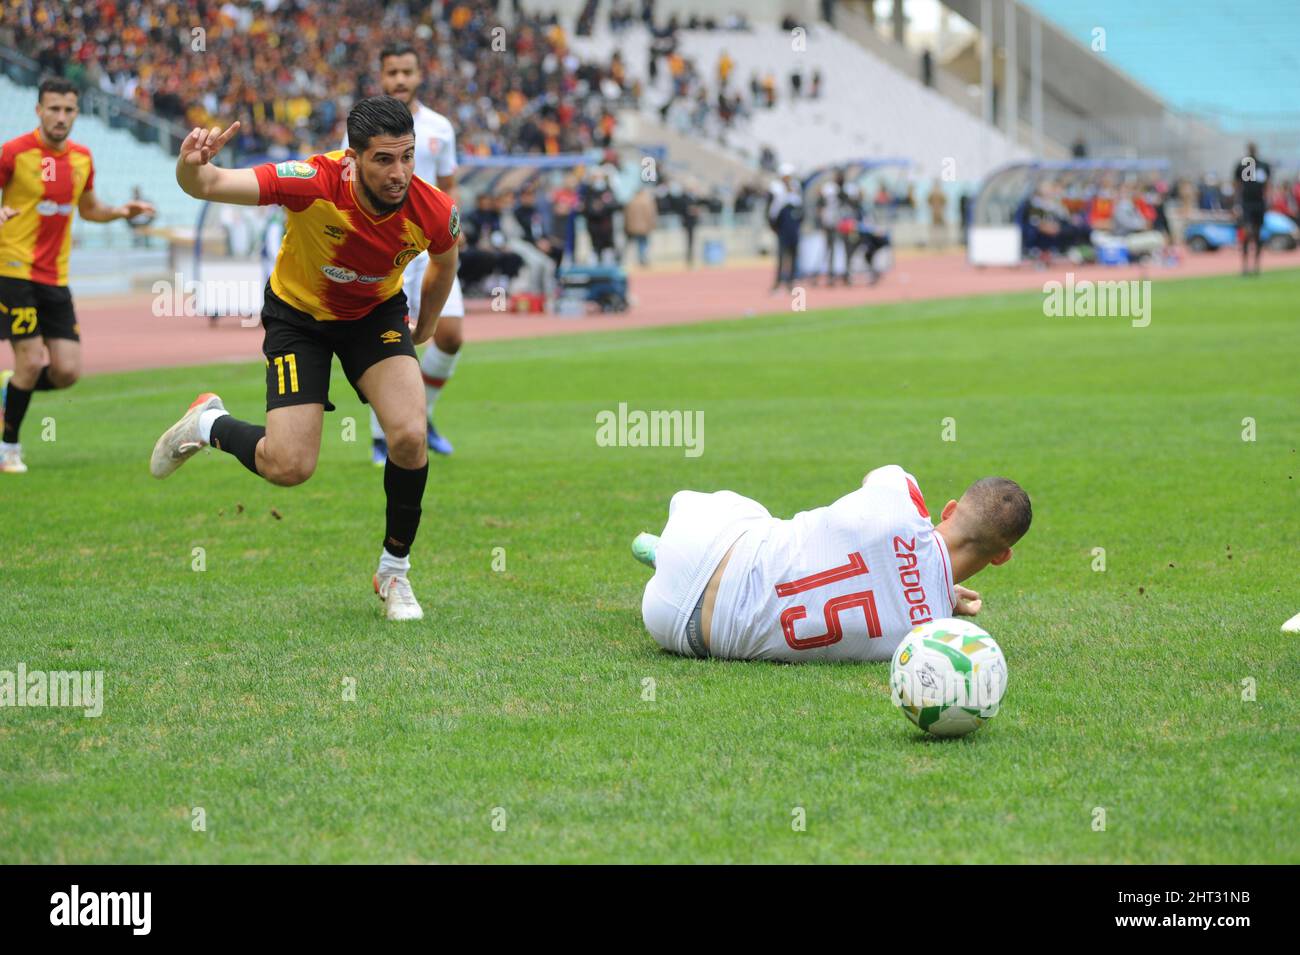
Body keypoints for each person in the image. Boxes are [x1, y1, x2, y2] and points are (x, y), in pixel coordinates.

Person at [149, 96, 460, 622]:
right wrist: (191, 165)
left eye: (406, 157)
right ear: (352, 157)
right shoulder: (312, 180)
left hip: (374, 316)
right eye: (384, 159)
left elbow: (444, 263)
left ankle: (395, 572)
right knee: (289, 466)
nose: (400, 172)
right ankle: (208, 423)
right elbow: (208, 185)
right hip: (299, 319)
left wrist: (426, 323)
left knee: (409, 435)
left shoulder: (434, 209)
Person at [631, 466, 1031, 662]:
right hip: (678, 630)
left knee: (761, 519)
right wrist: (940, 594)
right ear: (1001, 557)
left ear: (949, 509)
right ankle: (664, 557)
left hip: (698, 540)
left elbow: (877, 476)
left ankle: (661, 550)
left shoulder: (901, 501)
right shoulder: (931, 631)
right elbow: (905, 590)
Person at [0, 77, 155, 474]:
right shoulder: (14, 153)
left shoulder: (83, 158)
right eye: (53, 108)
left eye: (68, 110)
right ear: (38, 110)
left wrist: (121, 212)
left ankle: (10, 387)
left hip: (56, 278)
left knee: (67, 371)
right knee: (32, 360)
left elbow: (89, 209)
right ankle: (9, 449)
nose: (61, 117)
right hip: (12, 270)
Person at [344, 45, 464, 465]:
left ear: (419, 75)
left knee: (449, 336)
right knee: (394, 339)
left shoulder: (440, 128)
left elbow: (449, 184)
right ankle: (384, 436)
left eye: (406, 71)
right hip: (385, 247)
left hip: (433, 243)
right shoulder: (359, 129)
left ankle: (423, 416)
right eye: (392, 71)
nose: (399, 79)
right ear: (381, 75)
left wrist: (455, 228)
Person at [1233, 142, 1271, 276]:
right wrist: (1236, 203)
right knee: (1247, 232)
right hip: (1246, 203)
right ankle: (1245, 265)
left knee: (1257, 233)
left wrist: (1268, 200)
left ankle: (1256, 265)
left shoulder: (1263, 166)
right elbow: (1237, 184)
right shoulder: (1242, 165)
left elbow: (1267, 184)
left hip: (1259, 203)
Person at [767, 163, 802, 292]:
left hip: (793, 225)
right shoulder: (776, 188)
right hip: (782, 224)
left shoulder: (795, 187)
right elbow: (773, 208)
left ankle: (791, 280)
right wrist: (772, 224)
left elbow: (798, 206)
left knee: (793, 253)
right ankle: (778, 280)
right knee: (782, 254)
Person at [622, 185, 657, 267]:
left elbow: (627, 215)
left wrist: (627, 226)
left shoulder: (631, 201)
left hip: (633, 227)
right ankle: (642, 259)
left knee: (633, 243)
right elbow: (651, 215)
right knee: (643, 243)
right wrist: (652, 225)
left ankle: (627, 259)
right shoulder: (647, 201)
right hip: (644, 227)